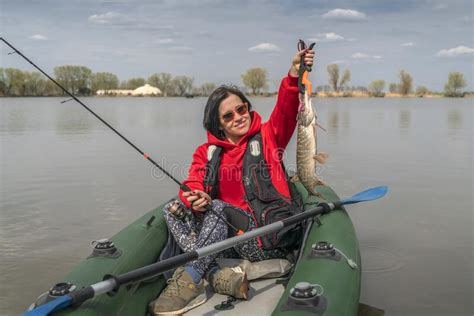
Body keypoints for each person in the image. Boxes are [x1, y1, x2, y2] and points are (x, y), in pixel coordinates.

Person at [149, 45, 315, 315]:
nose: (239, 117)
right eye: (229, 115)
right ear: (218, 125)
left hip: (264, 239)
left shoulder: (270, 136)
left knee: (216, 207)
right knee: (173, 209)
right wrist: (193, 196)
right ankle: (215, 273)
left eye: (242, 108)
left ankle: (192, 277)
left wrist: (295, 73)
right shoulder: (206, 152)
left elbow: (286, 109)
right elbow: (194, 182)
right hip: (226, 235)